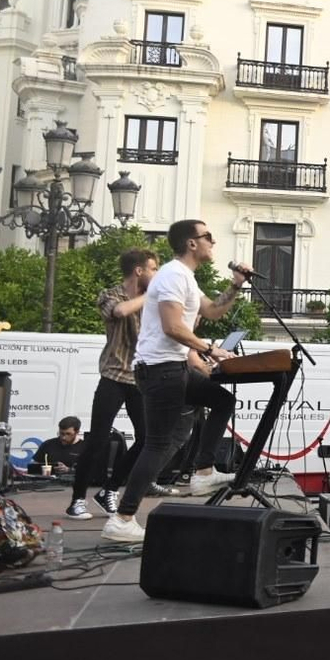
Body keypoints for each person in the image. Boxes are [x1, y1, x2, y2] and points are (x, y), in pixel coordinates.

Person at [103, 219, 250, 545]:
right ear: (191, 243)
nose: (213, 242)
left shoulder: (185, 277)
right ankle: (122, 518)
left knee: (222, 400)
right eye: (208, 236)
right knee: (157, 444)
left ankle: (203, 472)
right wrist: (211, 349)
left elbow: (211, 312)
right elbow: (171, 326)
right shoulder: (171, 275)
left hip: (172, 369)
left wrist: (236, 284)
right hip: (160, 370)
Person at [65, 249, 157, 518]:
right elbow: (119, 311)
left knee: (147, 439)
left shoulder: (151, 301)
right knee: (99, 439)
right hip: (114, 375)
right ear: (139, 271)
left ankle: (109, 490)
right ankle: (77, 500)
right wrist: (151, 295)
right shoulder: (111, 294)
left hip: (139, 377)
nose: (157, 274)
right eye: (153, 269)